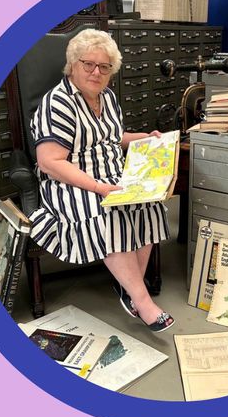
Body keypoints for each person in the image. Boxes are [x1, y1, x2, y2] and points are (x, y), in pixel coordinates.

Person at [28, 28, 175, 333]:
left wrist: (143, 139)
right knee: (106, 210)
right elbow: (50, 162)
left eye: (104, 67)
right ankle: (142, 300)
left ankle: (129, 289)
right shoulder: (57, 103)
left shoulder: (106, 97)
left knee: (148, 204)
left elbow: (112, 138)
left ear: (111, 71)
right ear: (73, 65)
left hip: (110, 174)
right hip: (71, 182)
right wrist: (96, 186)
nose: (97, 72)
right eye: (88, 64)